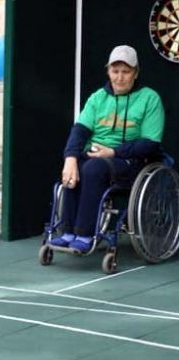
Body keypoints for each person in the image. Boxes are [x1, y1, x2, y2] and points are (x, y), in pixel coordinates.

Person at [50, 45, 165, 252]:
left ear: (135, 73)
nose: (120, 77)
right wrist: (70, 158)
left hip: (131, 162)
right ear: (108, 71)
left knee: (92, 169)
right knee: (76, 167)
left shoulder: (150, 98)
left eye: (126, 72)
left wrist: (113, 152)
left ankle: (85, 235)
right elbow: (80, 131)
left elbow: (150, 143)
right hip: (95, 157)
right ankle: (67, 232)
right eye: (115, 71)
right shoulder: (97, 98)